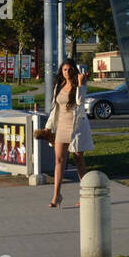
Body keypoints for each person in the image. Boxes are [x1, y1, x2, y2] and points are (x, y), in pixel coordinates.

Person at [42, 57, 93, 207]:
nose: (67, 72)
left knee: (79, 161)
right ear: (61, 71)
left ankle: (85, 195)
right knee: (59, 161)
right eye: (64, 69)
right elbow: (55, 108)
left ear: (74, 70)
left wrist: (81, 84)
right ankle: (56, 196)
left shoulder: (79, 84)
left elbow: (80, 102)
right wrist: (48, 127)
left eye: (70, 69)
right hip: (61, 127)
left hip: (76, 127)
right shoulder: (59, 85)